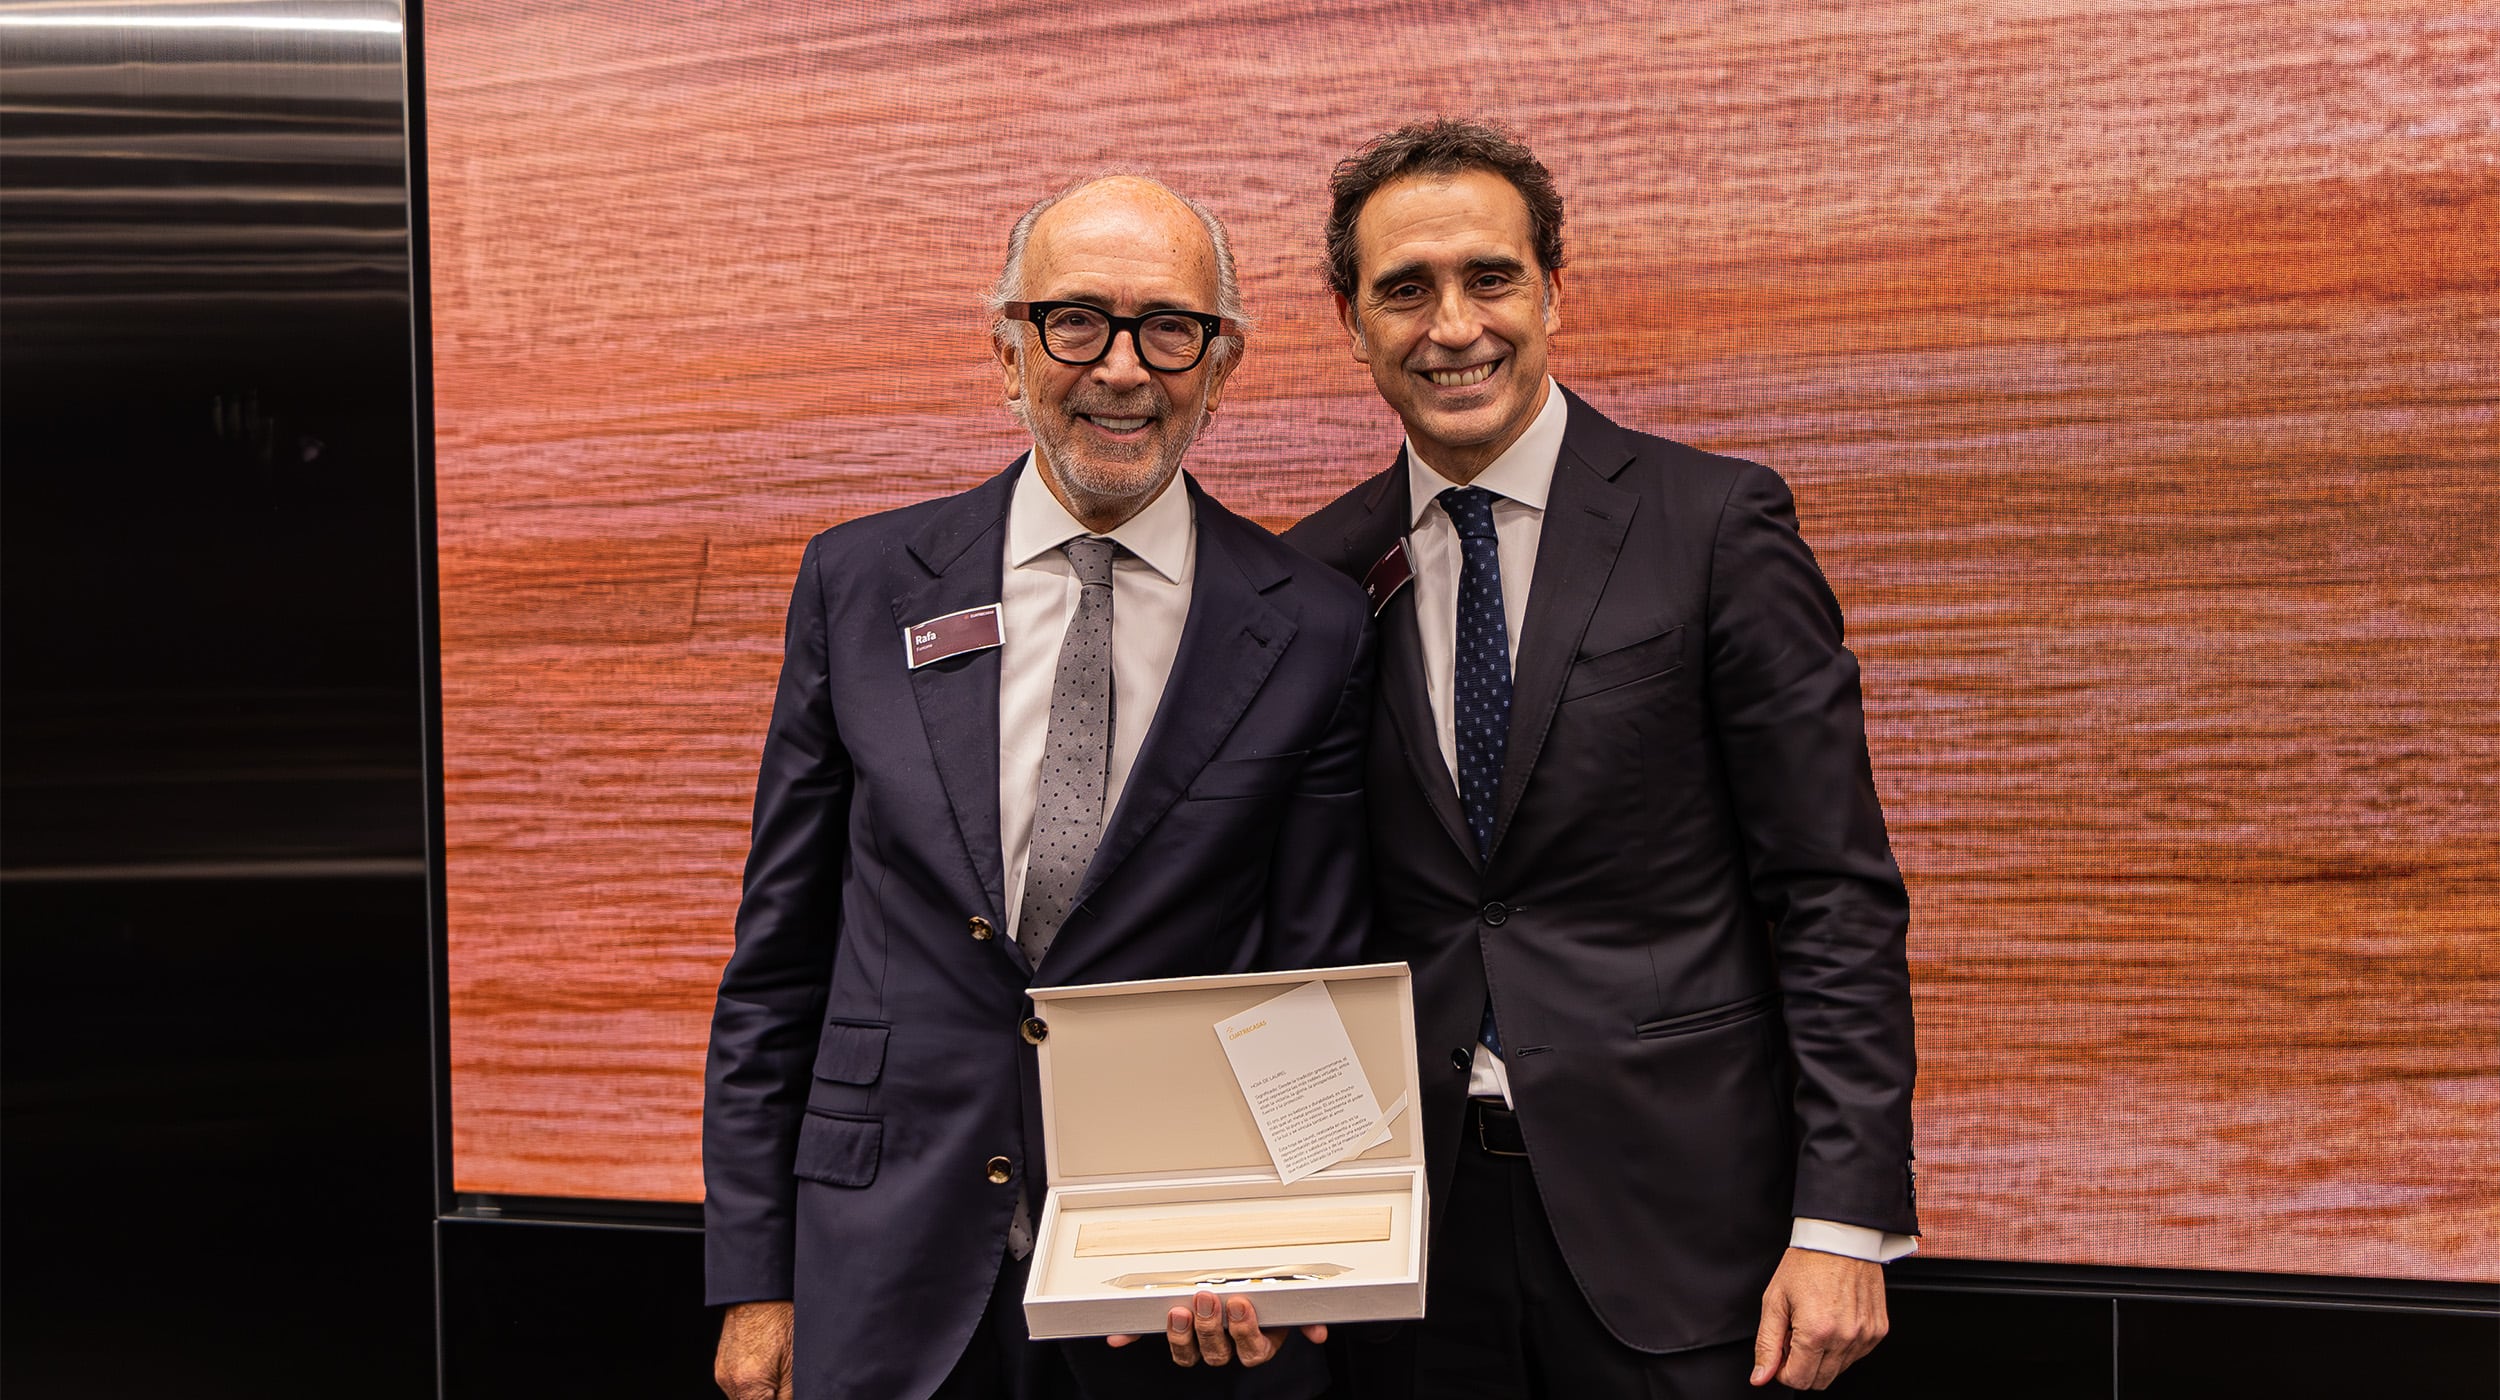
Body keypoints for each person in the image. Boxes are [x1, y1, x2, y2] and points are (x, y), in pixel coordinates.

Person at [704, 174, 1373, 1400]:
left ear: (1221, 366)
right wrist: (757, 1273)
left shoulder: (1313, 628)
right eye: (1075, 320)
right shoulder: (859, 584)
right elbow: (779, 958)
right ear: (1008, 350)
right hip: (880, 1259)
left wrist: (1290, 1260)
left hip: (1163, 1290)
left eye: (1169, 327)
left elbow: (1310, 978)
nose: (1121, 367)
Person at [1279, 120, 1919, 1397]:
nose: (1452, 325)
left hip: (1684, 1230)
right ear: (1350, 319)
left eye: (1490, 277)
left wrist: (1842, 1220)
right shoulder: (1311, 575)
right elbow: (1294, 921)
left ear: (1555, 292)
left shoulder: (1716, 524)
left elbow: (1830, 892)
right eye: (1404, 289)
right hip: (1406, 1248)